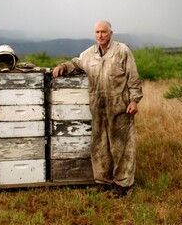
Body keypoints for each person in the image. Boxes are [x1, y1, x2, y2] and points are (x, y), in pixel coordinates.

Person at [52, 20, 143, 197]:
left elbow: (133, 78)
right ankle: (103, 182)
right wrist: (63, 66)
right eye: (97, 32)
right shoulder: (88, 54)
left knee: (121, 147)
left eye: (103, 32)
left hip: (120, 107)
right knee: (99, 146)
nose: (100, 35)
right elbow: (76, 63)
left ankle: (122, 186)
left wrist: (134, 100)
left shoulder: (122, 50)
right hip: (98, 108)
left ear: (111, 33)